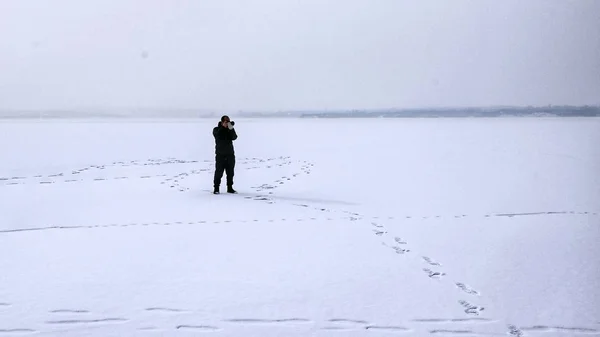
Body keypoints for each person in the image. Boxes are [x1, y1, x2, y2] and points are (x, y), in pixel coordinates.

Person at [212, 115, 238, 194]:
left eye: (228, 121)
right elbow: (218, 136)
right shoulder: (216, 129)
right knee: (218, 172)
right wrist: (223, 127)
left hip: (230, 154)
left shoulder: (230, 129)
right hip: (220, 155)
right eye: (226, 121)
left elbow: (234, 137)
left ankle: (230, 188)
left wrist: (230, 128)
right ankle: (216, 188)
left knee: (230, 173)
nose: (227, 123)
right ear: (222, 121)